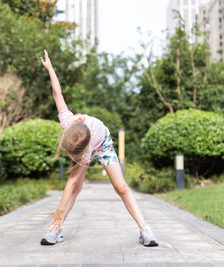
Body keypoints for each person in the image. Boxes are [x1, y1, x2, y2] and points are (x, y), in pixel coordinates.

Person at [39, 50, 158, 247]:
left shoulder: (88, 146)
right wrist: (50, 68)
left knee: (120, 187)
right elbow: (57, 93)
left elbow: (71, 180)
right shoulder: (67, 121)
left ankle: (145, 229)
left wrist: (59, 209)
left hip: (103, 143)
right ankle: (56, 229)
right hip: (85, 140)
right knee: (76, 189)